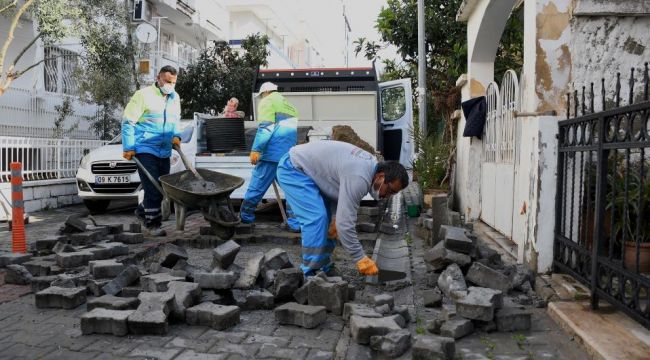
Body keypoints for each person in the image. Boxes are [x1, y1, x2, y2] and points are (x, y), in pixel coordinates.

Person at [276, 140, 409, 276]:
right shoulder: (360, 177)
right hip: (293, 168)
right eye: (390, 190)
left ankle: (323, 266)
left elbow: (335, 189)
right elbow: (345, 225)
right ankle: (310, 274)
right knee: (316, 219)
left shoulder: (368, 169)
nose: (387, 196)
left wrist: (334, 216)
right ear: (381, 177)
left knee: (330, 224)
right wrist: (360, 258)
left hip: (310, 172)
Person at [122, 65, 182, 237]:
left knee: (161, 187)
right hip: (145, 148)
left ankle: (143, 211)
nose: (170, 85)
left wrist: (176, 135)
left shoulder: (175, 97)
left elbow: (175, 120)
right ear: (158, 78)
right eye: (167, 81)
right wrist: (128, 147)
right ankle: (153, 224)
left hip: (164, 150)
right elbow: (128, 122)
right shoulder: (143, 95)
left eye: (173, 82)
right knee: (152, 187)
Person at [240, 82, 300, 231]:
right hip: (287, 156)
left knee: (256, 188)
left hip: (271, 156)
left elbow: (266, 128)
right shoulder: (290, 106)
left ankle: (245, 219)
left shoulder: (268, 101)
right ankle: (295, 224)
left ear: (265, 93)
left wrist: (256, 149)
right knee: (292, 190)